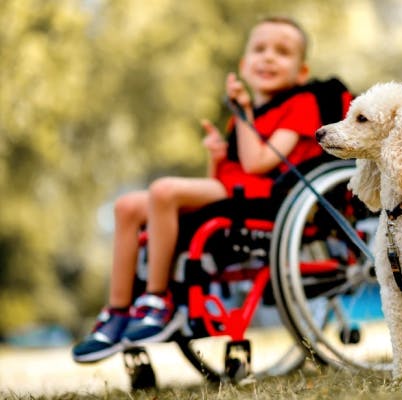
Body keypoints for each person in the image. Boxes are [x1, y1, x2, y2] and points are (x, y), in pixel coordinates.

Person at [73, 16, 350, 363]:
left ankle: (157, 301)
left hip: (269, 197)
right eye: (259, 50)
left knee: (163, 190)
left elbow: (257, 164)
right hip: (234, 193)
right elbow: (219, 179)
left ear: (301, 71)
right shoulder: (242, 118)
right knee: (127, 205)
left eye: (282, 52)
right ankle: (116, 312)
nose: (268, 57)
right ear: (244, 64)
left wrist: (245, 112)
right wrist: (217, 154)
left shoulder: (302, 104)